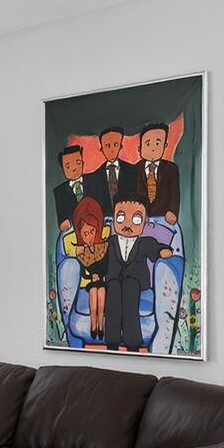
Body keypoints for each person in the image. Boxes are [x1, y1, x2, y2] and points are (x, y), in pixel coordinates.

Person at [101, 196, 173, 351]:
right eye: (121, 217)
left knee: (130, 294)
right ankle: (111, 342)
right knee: (113, 298)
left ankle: (132, 342)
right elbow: (100, 259)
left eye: (136, 219)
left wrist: (163, 251)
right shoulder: (109, 241)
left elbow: (156, 248)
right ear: (113, 219)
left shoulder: (145, 242)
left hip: (135, 282)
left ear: (145, 221)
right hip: (114, 280)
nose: (127, 224)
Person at [60, 196, 110, 339]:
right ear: (80, 234)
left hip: (104, 281)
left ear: (98, 229)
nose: (89, 237)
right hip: (92, 281)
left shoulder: (105, 246)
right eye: (85, 233)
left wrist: (104, 276)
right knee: (94, 293)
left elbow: (108, 264)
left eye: (92, 232)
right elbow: (83, 273)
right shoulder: (81, 252)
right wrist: (91, 276)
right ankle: (94, 326)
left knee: (101, 292)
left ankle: (101, 324)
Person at [135, 122, 182, 225]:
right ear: (140, 148)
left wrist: (172, 212)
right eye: (147, 143)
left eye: (158, 143)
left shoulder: (171, 169)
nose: (153, 148)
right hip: (139, 220)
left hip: (164, 219)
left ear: (165, 146)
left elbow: (174, 195)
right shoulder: (134, 169)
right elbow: (132, 196)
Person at [84, 125, 134, 216]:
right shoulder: (93, 178)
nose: (111, 150)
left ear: (120, 146)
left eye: (115, 145)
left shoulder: (133, 171)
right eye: (107, 146)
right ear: (102, 149)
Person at [51, 145, 88, 231]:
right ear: (62, 169)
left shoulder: (93, 180)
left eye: (78, 163)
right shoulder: (60, 191)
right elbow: (62, 221)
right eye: (68, 166)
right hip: (74, 229)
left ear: (83, 163)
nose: (74, 168)